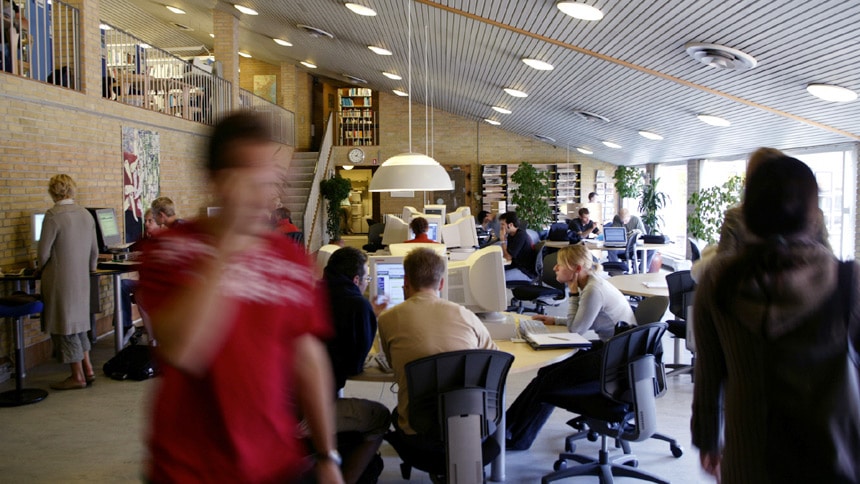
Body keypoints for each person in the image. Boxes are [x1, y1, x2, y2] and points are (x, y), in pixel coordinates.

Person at [137, 112, 343, 483]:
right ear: (218, 179)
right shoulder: (169, 252)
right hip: (187, 469)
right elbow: (183, 349)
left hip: (276, 462)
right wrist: (228, 246)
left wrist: (328, 456)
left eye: (272, 180)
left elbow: (308, 360)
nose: (266, 193)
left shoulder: (290, 258)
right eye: (252, 178)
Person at [691, 155, 860, 482]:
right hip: (834, 456)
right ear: (813, 212)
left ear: (749, 209)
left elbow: (709, 372)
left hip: (750, 456)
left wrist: (708, 440)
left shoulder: (717, 281)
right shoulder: (847, 280)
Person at [505, 244, 636, 450]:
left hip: (615, 360)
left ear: (576, 269)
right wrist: (554, 320)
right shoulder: (592, 283)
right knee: (548, 371)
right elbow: (585, 319)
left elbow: (577, 330)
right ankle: (510, 427)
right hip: (617, 350)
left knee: (549, 381)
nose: (555, 269)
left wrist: (573, 292)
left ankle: (517, 436)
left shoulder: (593, 290)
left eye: (560, 265)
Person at [378, 248, 497, 436]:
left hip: (417, 429)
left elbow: (393, 365)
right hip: (469, 426)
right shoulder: (466, 316)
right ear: (441, 284)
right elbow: (493, 360)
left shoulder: (387, 319)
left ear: (405, 281)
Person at [690, 147, 831, 281]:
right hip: (806, 294)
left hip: (747, 296)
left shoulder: (736, 217)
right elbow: (829, 260)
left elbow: (723, 267)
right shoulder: (813, 215)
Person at [322, 247, 391, 484]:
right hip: (309, 413)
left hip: (281, 408)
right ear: (356, 280)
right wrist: (370, 317)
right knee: (380, 416)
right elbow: (354, 366)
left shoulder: (310, 294)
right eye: (367, 279)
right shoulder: (355, 304)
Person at [37, 174, 99, 390]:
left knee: (65, 326)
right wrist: (89, 270)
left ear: (53, 191)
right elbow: (94, 251)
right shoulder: (86, 215)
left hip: (60, 279)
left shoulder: (53, 216)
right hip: (82, 278)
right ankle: (88, 368)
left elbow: (43, 252)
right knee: (80, 324)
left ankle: (77, 376)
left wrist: (38, 268)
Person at [119, 209, 160, 343]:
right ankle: (126, 325)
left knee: (140, 293)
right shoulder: (145, 238)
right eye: (145, 221)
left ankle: (152, 337)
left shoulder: (162, 240)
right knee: (122, 285)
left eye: (150, 221)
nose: (146, 224)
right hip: (145, 284)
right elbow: (131, 249)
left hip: (157, 286)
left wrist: (143, 256)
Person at [499, 211, 537, 282]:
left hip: (526, 271)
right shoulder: (511, 235)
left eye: (503, 224)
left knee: (498, 279)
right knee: (495, 272)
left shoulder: (520, 236)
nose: (501, 227)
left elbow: (508, 257)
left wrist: (502, 241)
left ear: (510, 225)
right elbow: (507, 256)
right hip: (517, 265)